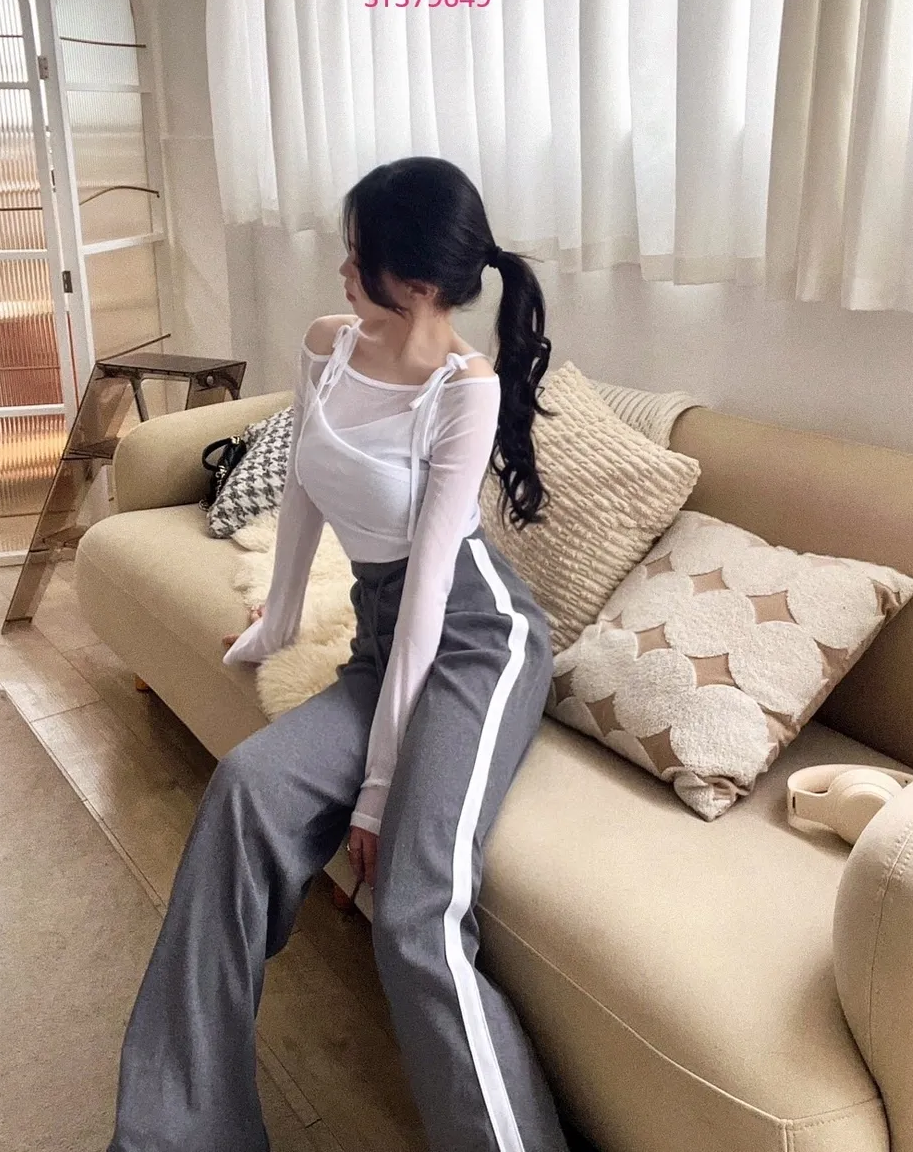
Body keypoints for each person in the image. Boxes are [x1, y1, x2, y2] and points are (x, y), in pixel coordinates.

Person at [106, 156, 572, 1152]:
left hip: (476, 644)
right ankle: (176, 1133)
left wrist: (378, 789)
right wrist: (275, 624)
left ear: (418, 280)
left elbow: (434, 591)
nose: (342, 269)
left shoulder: (463, 390)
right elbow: (308, 489)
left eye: (360, 255)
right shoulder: (330, 344)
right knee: (244, 790)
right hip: (379, 633)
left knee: (414, 917)